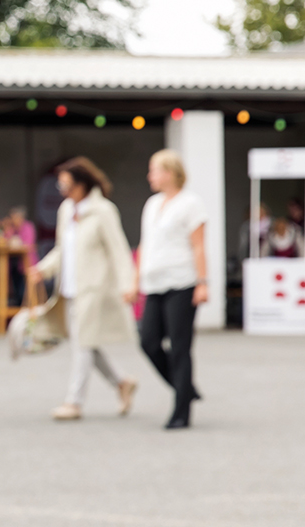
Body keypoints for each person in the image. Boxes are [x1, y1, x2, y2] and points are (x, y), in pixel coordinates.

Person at [27, 157, 138, 421]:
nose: (62, 191)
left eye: (66, 185)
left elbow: (118, 249)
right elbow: (62, 249)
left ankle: (74, 402)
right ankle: (122, 382)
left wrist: (128, 283)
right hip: (69, 290)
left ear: (82, 184)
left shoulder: (103, 211)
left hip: (94, 289)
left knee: (83, 344)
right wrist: (43, 269)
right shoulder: (66, 210)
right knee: (85, 343)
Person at [133, 149, 207, 430]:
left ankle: (181, 410)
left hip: (182, 282)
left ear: (170, 172)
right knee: (148, 341)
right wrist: (134, 281)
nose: (150, 175)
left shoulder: (191, 204)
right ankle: (184, 386)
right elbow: (145, 244)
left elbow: (199, 245)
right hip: (154, 283)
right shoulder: (152, 204)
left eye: (154, 170)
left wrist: (202, 282)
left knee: (180, 346)